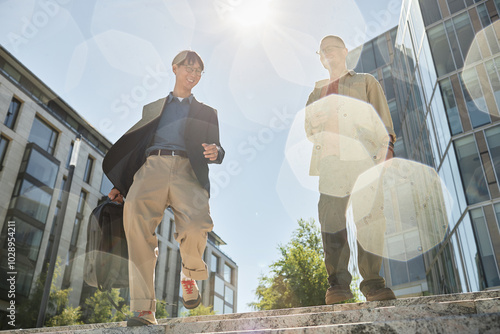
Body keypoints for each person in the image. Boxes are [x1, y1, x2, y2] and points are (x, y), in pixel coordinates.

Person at [103, 50, 224, 326]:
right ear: (175, 68)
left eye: (198, 72)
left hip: (188, 171)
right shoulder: (153, 108)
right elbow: (136, 148)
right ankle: (143, 310)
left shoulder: (208, 112)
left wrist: (216, 152)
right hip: (151, 167)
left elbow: (217, 147)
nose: (193, 75)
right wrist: (122, 185)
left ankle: (190, 274)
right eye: (188, 68)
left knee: (196, 226)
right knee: (135, 224)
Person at [305, 35, 396, 305]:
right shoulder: (316, 92)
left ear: (345, 51)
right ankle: (339, 286)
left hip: (363, 159)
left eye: (333, 48)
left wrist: (387, 147)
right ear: (320, 58)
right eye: (323, 51)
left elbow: (382, 118)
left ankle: (373, 284)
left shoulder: (365, 81)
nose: (328, 53)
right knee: (332, 223)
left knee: (370, 219)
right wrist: (315, 124)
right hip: (331, 163)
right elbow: (309, 132)